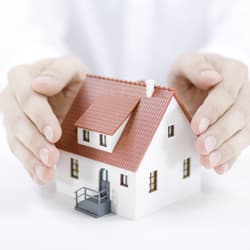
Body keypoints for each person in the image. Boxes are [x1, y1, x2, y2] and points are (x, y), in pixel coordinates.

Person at [0, 0, 250, 185]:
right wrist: (35, 80)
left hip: (188, 130)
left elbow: (240, 27)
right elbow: (25, 26)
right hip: (75, 115)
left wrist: (231, 81)